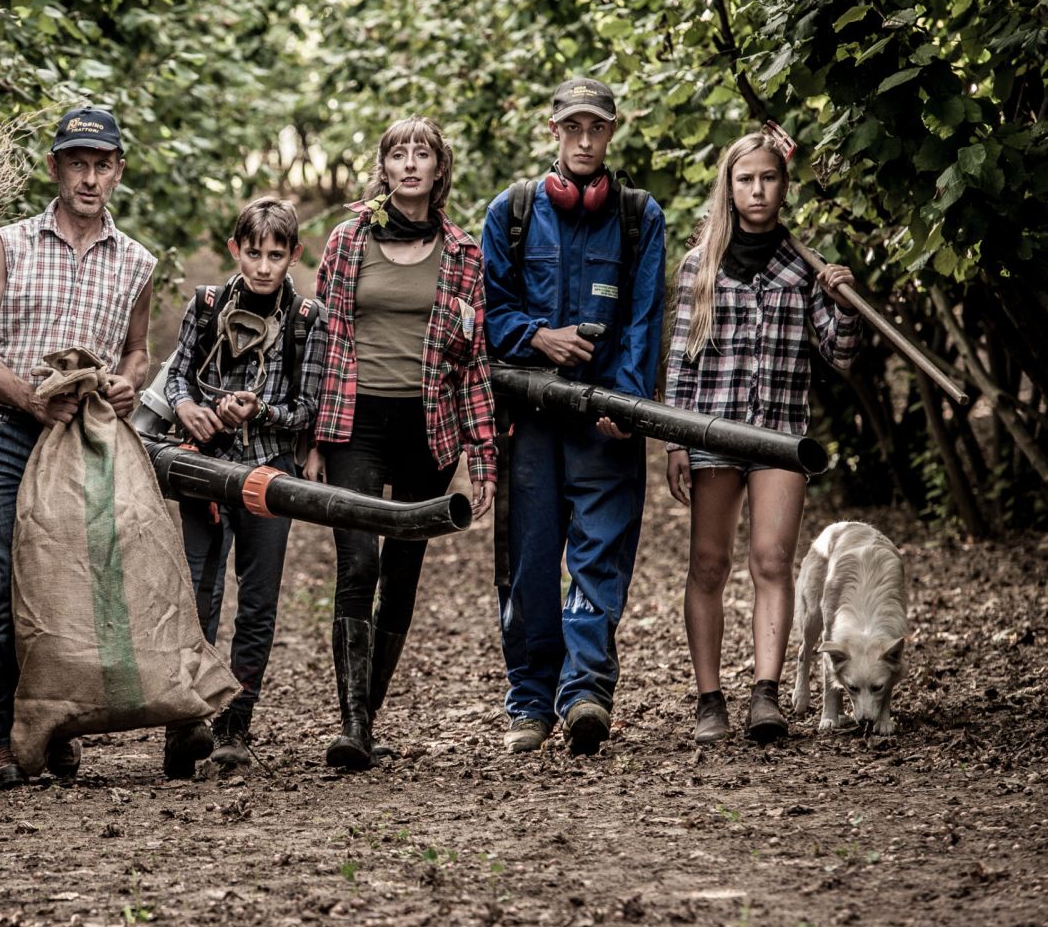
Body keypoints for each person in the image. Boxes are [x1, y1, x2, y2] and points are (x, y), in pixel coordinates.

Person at [0, 106, 155, 789]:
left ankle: (57, 724)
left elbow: (137, 350)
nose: (89, 178)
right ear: (55, 168)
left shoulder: (137, 262)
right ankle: (0, 739)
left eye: (102, 165)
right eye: (77, 164)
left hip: (83, 439)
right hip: (6, 432)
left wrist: (128, 382)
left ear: (118, 171)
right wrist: (30, 398)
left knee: (71, 583)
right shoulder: (9, 244)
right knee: (6, 580)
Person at [303, 116, 496, 771]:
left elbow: (473, 363)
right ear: (383, 167)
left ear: (439, 170)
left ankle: (369, 713)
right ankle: (353, 723)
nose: (410, 163)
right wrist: (312, 438)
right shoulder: (348, 239)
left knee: (402, 572)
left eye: (422, 153)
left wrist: (482, 457)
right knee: (358, 564)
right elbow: (324, 340)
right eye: (398, 153)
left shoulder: (463, 253)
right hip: (355, 424)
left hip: (429, 429)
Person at [481, 78, 666, 756]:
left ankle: (586, 691)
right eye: (573, 127)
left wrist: (628, 402)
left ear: (612, 132)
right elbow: (488, 310)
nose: (585, 140)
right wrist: (539, 336)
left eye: (597, 128)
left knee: (599, 555)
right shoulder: (511, 211)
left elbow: (645, 318)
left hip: (605, 423)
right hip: (530, 421)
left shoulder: (640, 216)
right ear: (553, 131)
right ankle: (530, 702)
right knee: (529, 563)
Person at [663, 130, 859, 745]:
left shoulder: (806, 267)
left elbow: (840, 355)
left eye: (768, 178)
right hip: (712, 429)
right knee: (709, 564)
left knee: (772, 560)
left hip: (780, 433)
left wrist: (845, 304)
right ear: (729, 187)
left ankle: (766, 696)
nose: (757, 189)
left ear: (783, 185)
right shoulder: (701, 264)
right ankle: (709, 700)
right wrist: (674, 441)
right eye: (745, 179)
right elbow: (679, 360)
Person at [161, 197, 327, 774]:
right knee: (197, 597)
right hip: (205, 470)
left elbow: (307, 408)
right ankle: (186, 723)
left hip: (268, 474)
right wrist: (188, 407)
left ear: (293, 256)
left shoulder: (307, 320)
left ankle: (236, 725)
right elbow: (178, 375)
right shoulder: (206, 305)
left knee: (257, 603)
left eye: (275, 255)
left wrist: (262, 411)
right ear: (235, 250)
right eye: (253, 253)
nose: (262, 266)